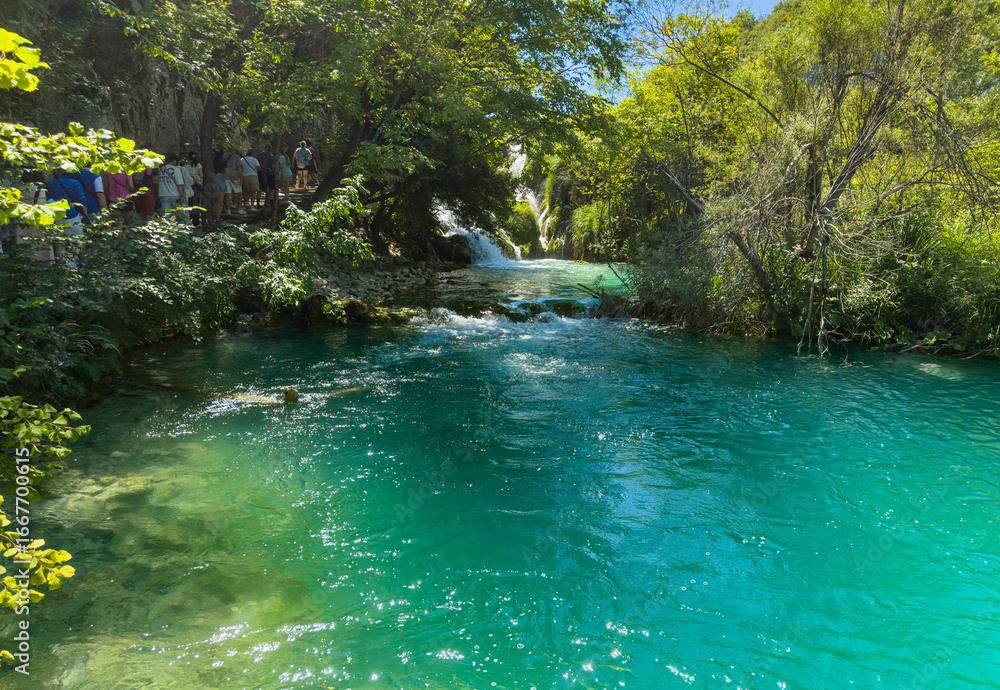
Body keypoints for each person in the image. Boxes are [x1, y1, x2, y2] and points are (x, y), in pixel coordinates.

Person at [44, 167, 87, 260]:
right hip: (73, 215)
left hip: (57, 216)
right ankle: (75, 264)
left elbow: (47, 200)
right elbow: (82, 200)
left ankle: (62, 266)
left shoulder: (50, 184)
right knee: (77, 242)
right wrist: (85, 212)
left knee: (60, 244)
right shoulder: (75, 183)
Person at [183, 151, 204, 226]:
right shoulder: (198, 165)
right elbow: (201, 175)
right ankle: (196, 220)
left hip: (188, 185)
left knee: (189, 202)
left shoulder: (185, 166)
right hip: (197, 185)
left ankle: (188, 218)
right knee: (196, 202)